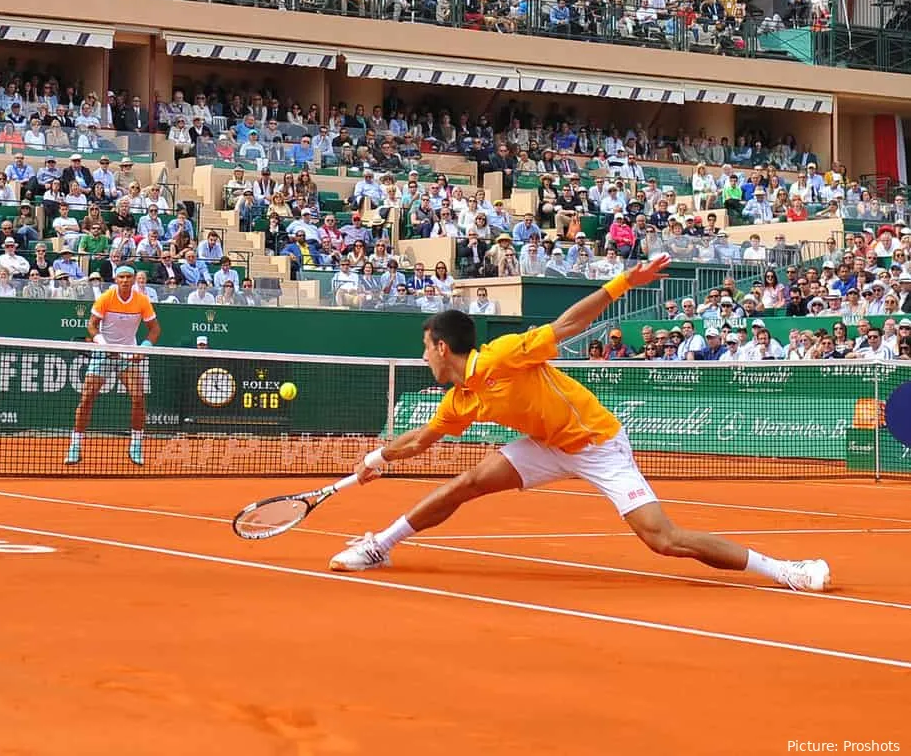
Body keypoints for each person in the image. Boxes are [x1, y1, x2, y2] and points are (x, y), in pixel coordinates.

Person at [327, 253, 833, 593]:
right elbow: (421, 439)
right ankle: (381, 546)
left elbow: (569, 324)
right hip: (544, 445)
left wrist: (622, 283)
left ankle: (785, 570)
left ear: (442, 347)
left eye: (424, 348)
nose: (423, 358)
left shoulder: (504, 355)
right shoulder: (460, 399)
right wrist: (378, 458)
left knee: (662, 540)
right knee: (467, 483)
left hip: (597, 442)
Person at [69, 265, 159, 466]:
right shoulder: (106, 298)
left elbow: (154, 329)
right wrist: (104, 345)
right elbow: (91, 325)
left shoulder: (142, 300)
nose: (125, 280)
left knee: (138, 398)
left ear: (134, 279)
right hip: (103, 353)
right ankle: (75, 445)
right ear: (116, 280)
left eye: (129, 277)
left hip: (128, 353)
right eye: (121, 277)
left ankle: (136, 444)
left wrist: (143, 348)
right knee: (86, 399)